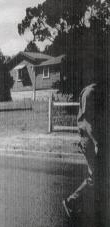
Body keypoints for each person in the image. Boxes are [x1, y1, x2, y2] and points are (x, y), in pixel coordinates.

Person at [62, 78, 106, 223]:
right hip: (90, 140)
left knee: (100, 175)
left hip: (98, 139)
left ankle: (93, 207)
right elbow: (88, 122)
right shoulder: (90, 92)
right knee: (96, 176)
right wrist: (97, 142)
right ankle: (71, 202)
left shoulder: (101, 91)